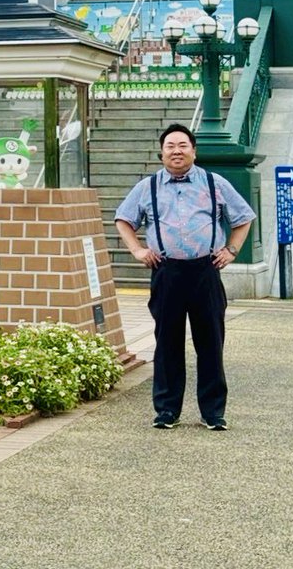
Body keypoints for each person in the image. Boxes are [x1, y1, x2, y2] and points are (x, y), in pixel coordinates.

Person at [114, 122, 255, 431]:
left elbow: (243, 218)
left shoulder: (214, 182)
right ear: (162, 153)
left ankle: (213, 412)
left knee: (211, 342)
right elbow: (123, 219)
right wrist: (137, 250)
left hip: (206, 271)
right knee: (167, 343)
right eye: (170, 146)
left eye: (182, 145)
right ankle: (167, 410)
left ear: (194, 151)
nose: (176, 151)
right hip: (167, 272)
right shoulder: (148, 187)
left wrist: (231, 250)